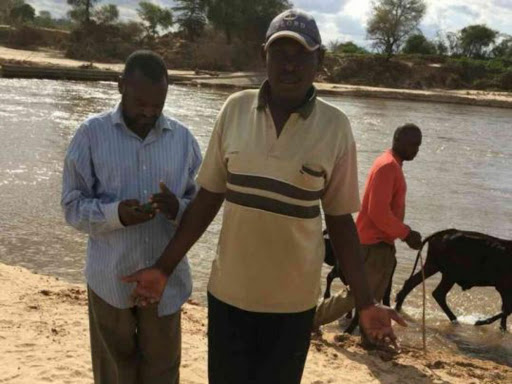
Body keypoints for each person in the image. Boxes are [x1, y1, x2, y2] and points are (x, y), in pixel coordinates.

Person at [123, 10, 405, 384]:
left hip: (294, 305)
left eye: (301, 54)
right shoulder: (234, 110)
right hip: (228, 297)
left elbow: (339, 221)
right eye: (280, 53)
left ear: (319, 60)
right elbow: (207, 199)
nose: (289, 64)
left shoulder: (336, 127)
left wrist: (366, 302)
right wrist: (163, 268)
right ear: (263, 56)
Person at [61, 50, 201, 384]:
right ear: (120, 85)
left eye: (158, 105)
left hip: (165, 282)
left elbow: (199, 210)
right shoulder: (90, 135)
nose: (149, 112)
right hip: (110, 278)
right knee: (114, 372)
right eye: (141, 103)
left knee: (162, 372)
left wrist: (176, 208)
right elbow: (71, 207)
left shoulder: (184, 140)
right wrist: (116, 215)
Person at [314, 124, 423, 329]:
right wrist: (406, 233)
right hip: (373, 244)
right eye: (412, 144)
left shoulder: (389, 164)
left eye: (418, 145)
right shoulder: (388, 167)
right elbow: (378, 212)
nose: (415, 150)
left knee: (372, 300)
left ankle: (372, 336)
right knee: (355, 296)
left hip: (379, 243)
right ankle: (310, 321)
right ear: (397, 139)